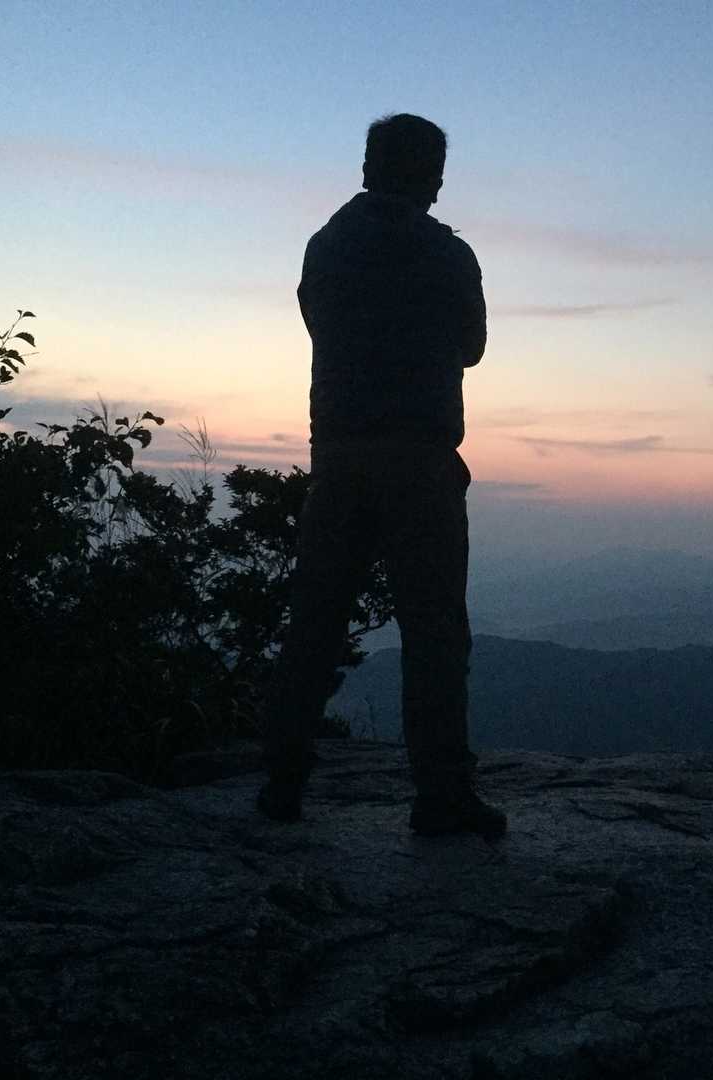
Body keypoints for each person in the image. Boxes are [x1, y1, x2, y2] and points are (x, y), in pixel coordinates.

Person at [257, 113, 504, 839]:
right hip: (420, 462)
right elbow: (471, 347)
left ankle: (282, 781)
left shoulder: (326, 245)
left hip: (338, 458)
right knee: (434, 630)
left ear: (369, 168)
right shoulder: (447, 254)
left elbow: (319, 324)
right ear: (432, 177)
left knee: (315, 621)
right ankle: (441, 794)